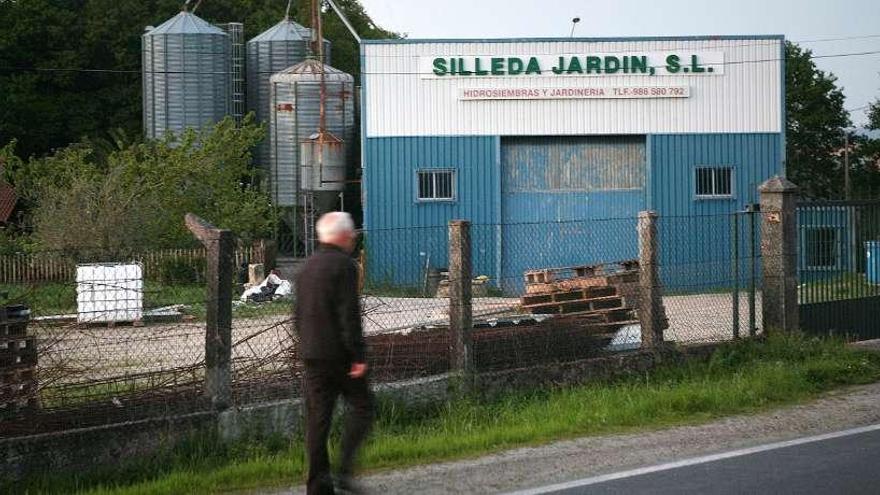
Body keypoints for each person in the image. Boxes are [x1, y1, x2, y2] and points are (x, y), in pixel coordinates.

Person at [295, 211, 374, 495]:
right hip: (340, 356)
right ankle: (343, 471)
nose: (353, 237)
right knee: (364, 408)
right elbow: (348, 314)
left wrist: (304, 346)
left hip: (311, 354)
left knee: (318, 420)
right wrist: (358, 356)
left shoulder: (305, 268)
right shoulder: (345, 266)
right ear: (342, 236)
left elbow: (298, 314)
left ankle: (317, 485)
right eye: (351, 233)